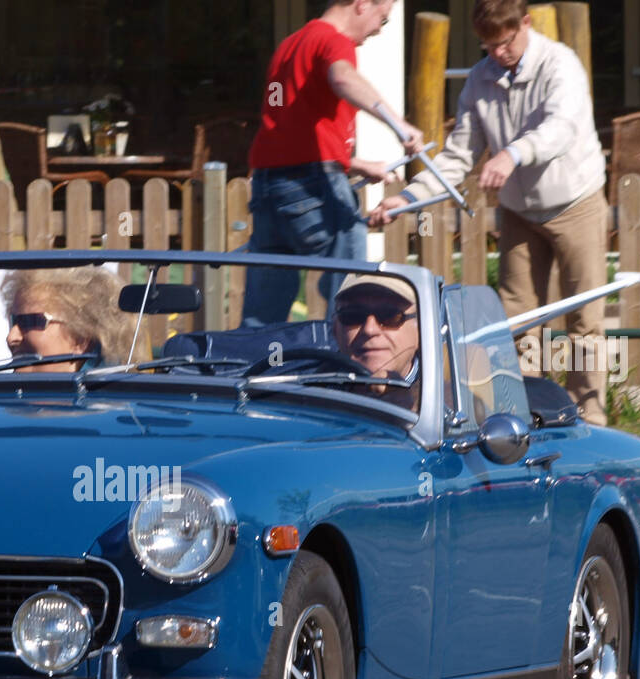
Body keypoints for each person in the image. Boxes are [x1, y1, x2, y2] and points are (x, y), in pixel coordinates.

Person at [370, 0, 609, 424]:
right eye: (489, 46)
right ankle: (525, 415)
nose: (499, 53)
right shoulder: (480, 80)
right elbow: (458, 154)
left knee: (584, 318)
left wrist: (512, 154)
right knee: (518, 320)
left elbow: (561, 128)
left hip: (576, 202)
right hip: (520, 210)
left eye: (506, 41)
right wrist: (409, 199)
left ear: (526, 24)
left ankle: (589, 418)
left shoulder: (560, 64)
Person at [241, 0, 423, 328]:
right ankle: (339, 371)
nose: (379, 30)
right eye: (382, 19)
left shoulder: (287, 47)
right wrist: (400, 125)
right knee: (349, 286)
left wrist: (351, 163)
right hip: (310, 183)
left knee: (264, 308)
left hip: (268, 186)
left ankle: (252, 369)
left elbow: (279, 115)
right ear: (362, 4)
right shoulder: (333, 41)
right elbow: (343, 79)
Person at [2, 268, 143, 371]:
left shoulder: (122, 409)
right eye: (14, 321)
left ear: (80, 339)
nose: (11, 337)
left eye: (29, 322)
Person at [331, 273, 420, 411]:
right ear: (335, 329)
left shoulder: (449, 406)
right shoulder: (305, 396)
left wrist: (414, 411)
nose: (369, 329)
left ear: (421, 330)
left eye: (390, 315)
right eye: (353, 315)